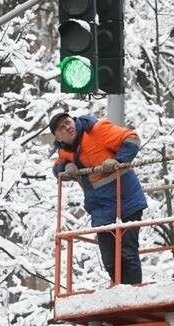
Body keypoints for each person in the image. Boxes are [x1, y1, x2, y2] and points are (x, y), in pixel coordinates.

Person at [50, 112, 147, 284]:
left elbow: (132, 139)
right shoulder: (65, 150)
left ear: (74, 120)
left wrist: (118, 160)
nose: (68, 127)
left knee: (127, 253)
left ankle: (133, 295)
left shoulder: (96, 130)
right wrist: (67, 166)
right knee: (110, 260)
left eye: (68, 122)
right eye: (62, 128)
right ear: (58, 137)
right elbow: (57, 168)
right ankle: (120, 293)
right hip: (101, 209)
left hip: (126, 200)